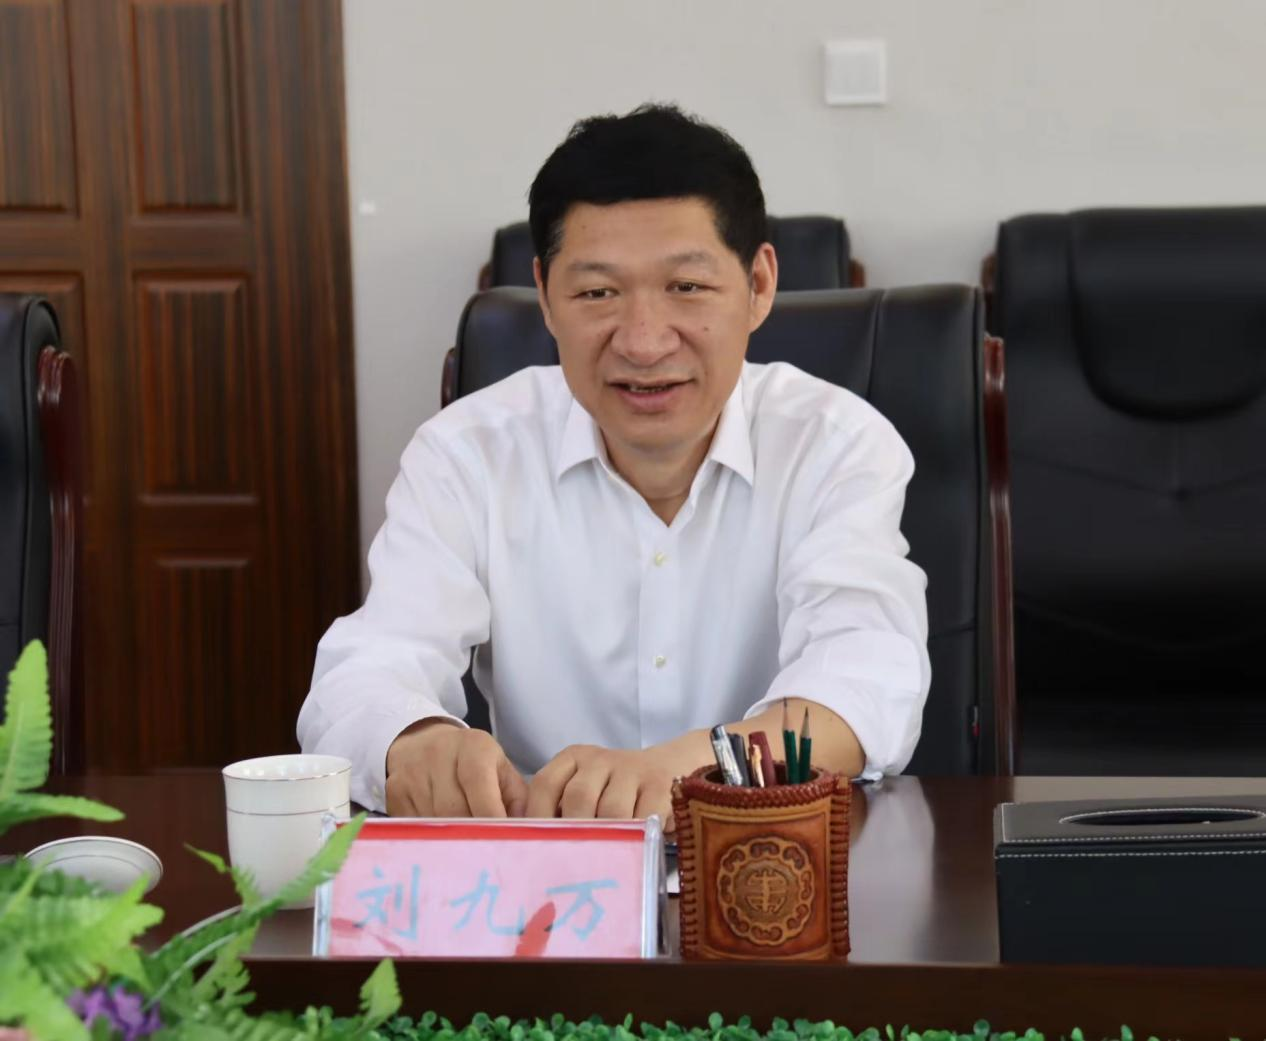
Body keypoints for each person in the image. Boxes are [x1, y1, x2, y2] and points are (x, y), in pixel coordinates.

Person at [298, 103, 930, 821]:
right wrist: (414, 740)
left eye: (687, 287)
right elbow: (368, 666)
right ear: (545, 295)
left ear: (758, 285)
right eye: (598, 293)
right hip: (545, 870)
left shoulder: (834, 443)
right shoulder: (467, 452)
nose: (644, 342)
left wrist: (688, 769)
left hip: (765, 863)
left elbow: (864, 678)